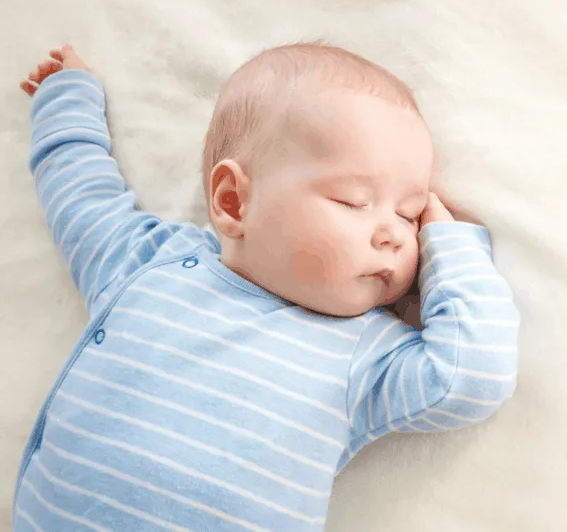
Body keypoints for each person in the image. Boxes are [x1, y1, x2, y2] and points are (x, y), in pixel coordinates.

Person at [14, 41, 520, 531]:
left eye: (408, 214)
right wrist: (67, 98)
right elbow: (81, 195)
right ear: (234, 202)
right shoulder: (146, 263)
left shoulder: (365, 356)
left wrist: (447, 242)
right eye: (352, 201)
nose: (392, 233)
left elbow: (471, 375)